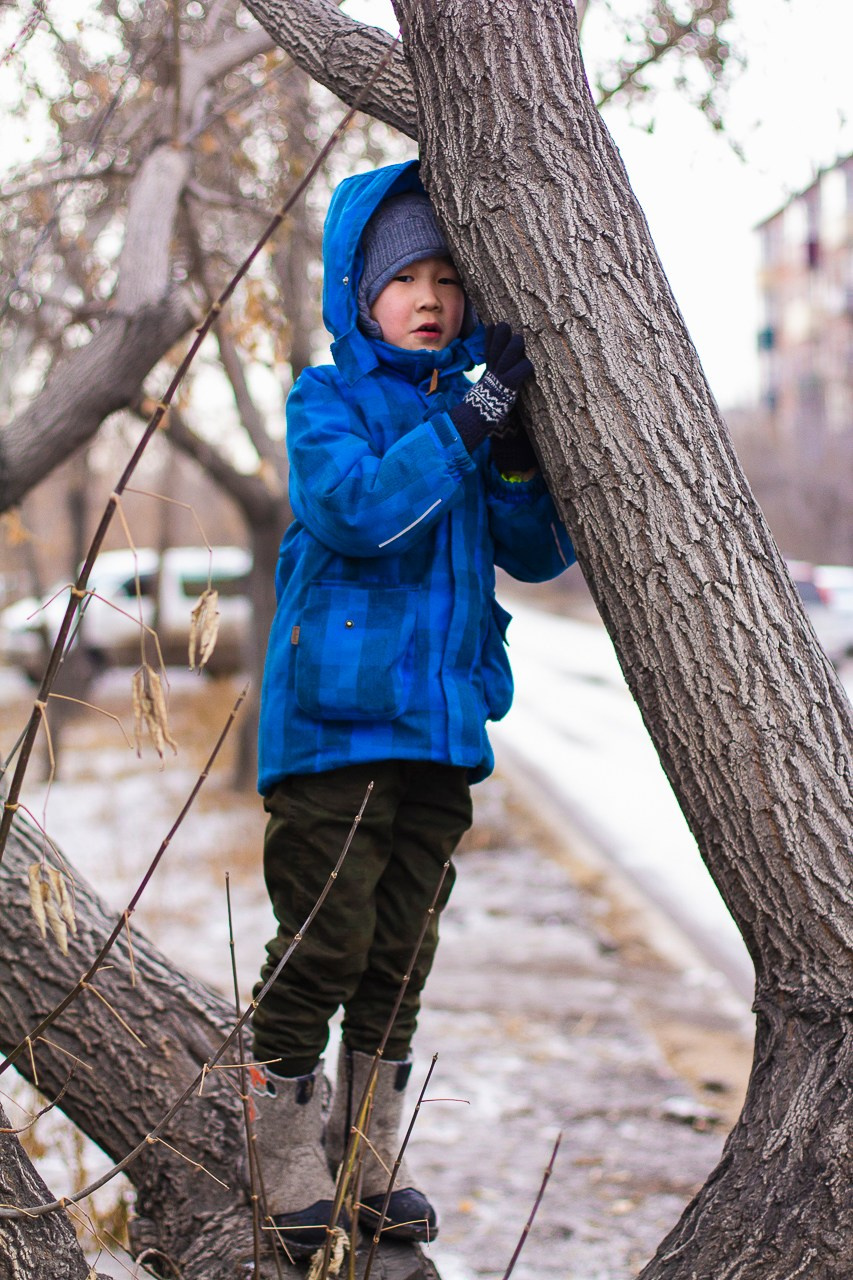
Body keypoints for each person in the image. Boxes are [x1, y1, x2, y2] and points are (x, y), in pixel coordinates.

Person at [248, 158, 575, 1257]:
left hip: (441, 732)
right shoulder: (327, 398)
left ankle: (366, 1151)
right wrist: (468, 427)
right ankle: (285, 1147)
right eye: (404, 279)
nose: (430, 297)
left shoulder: (474, 410)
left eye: (447, 277)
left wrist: (517, 455)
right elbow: (352, 509)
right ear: (357, 293)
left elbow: (531, 552)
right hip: (334, 734)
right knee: (325, 941)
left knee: (398, 952)